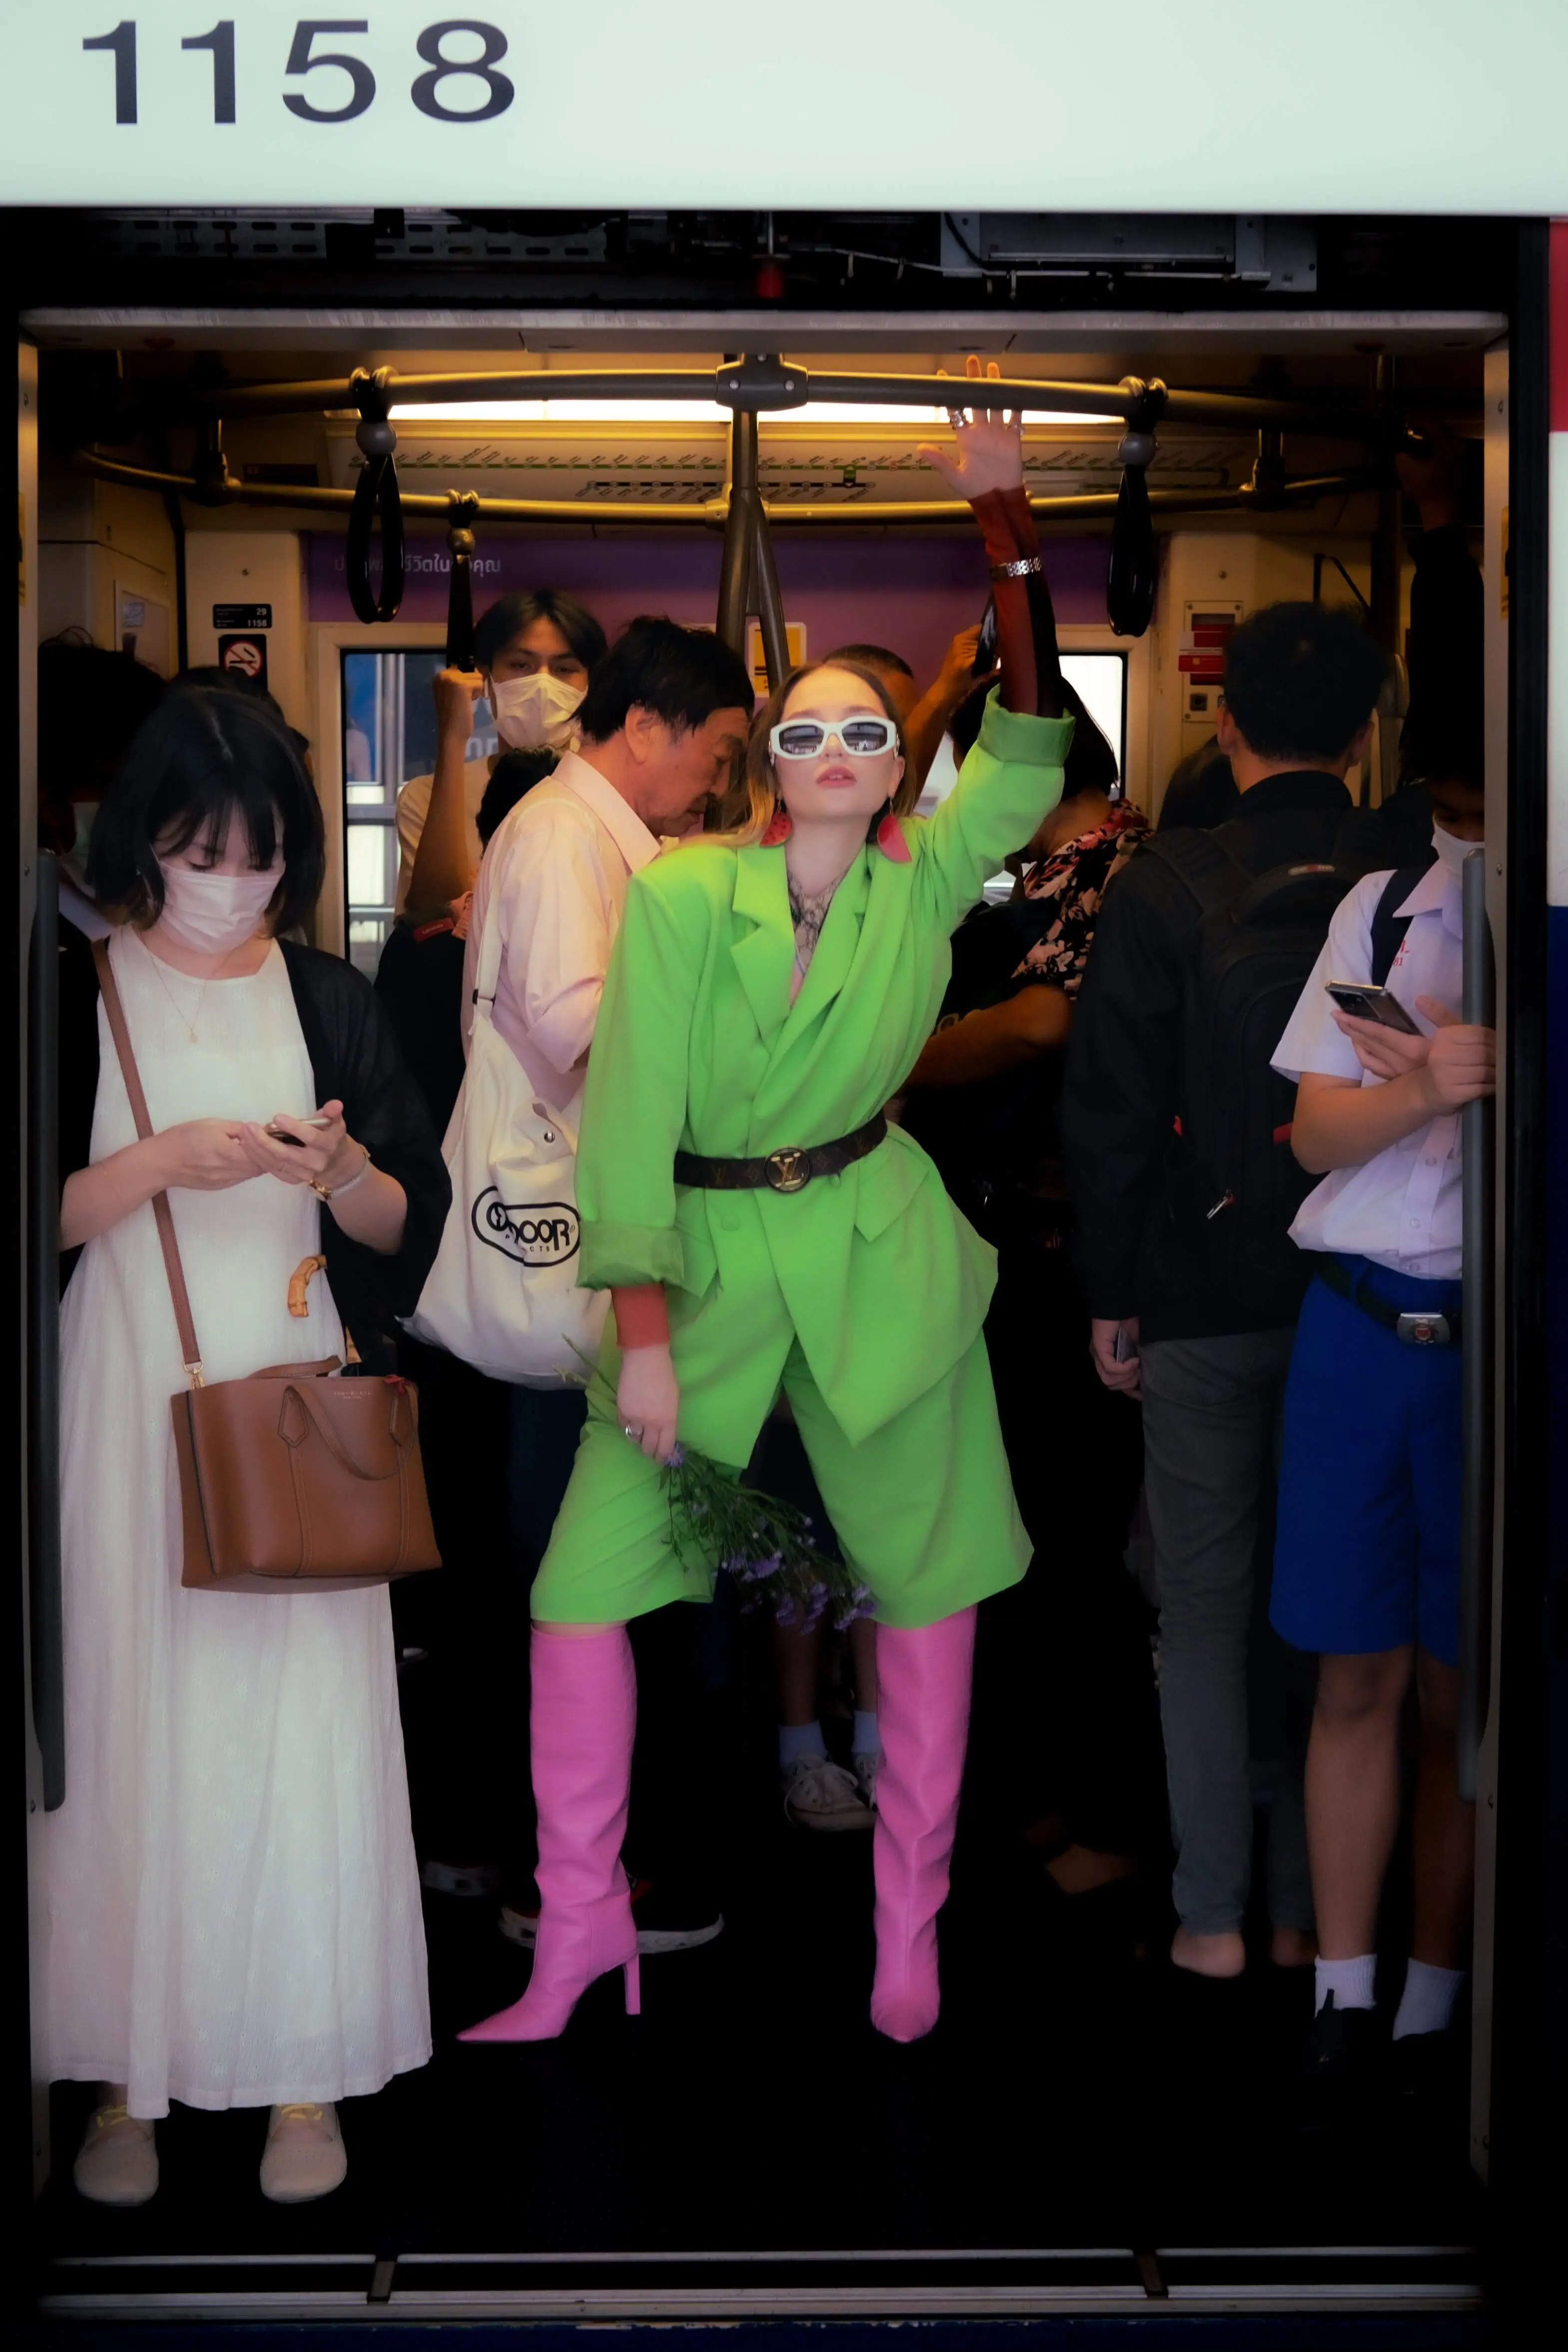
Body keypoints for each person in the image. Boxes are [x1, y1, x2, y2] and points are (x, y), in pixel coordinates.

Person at [456, 366, 1076, 2050]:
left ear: (894, 768)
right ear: (764, 760)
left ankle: (910, 1925)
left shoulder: (926, 880)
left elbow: (1029, 744)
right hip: (705, 1268)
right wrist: (640, 1333)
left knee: (928, 1589)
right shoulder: (681, 897)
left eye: (864, 732)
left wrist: (1007, 536)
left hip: (879, 1260)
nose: (830, 750)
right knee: (583, 1591)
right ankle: (582, 1927)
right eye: (799, 728)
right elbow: (630, 1127)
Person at [47, 688, 449, 2208]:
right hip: (123, 1397)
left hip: (289, 1398)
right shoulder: (71, 987)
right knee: (127, 1720)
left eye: (262, 857)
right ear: (142, 843)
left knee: (301, 1725)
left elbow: (408, 1225)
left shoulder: (332, 998)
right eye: (201, 851)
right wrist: (156, 1163)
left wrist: (345, 1170)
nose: (233, 883)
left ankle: (301, 2063)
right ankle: (118, 2075)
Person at [1062, 602, 1390, 1982]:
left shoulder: (1159, 880)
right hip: (1363, 1293)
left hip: (1195, 1288)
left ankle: (1206, 1920)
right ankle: (1316, 1913)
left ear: (1222, 720)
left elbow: (1112, 1111)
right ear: (1370, 726)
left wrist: (1110, 1291)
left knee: (1196, 1607)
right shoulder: (1412, 872)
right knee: (1337, 1622)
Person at [460, 615, 754, 1953]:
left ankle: (573, 1862)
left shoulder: (587, 832)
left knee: (594, 1560)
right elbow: (583, 1030)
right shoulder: (566, 837)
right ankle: (560, 1873)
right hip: (572, 1245)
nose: (713, 779)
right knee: (575, 1565)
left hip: (591, 1244)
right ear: (647, 726)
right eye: (716, 751)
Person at [900, 659, 1160, 1907]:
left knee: (1078, 1546)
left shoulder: (1111, 865)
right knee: (1045, 1545)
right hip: (1036, 1246)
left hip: (1075, 1252)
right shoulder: (1073, 866)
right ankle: (1063, 1787)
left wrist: (900, 1066)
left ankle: (1111, 1814)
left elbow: (1037, 1025)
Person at [1269, 673, 1491, 2125]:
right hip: (1356, 1327)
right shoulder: (1383, 905)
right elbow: (1307, 1132)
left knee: (1462, 1693)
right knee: (1353, 1673)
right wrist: (1426, 1086)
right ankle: (1344, 1983)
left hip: (1493, 1343)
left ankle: (1440, 1983)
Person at [393, 588, 607, 913]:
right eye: (521, 665)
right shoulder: (424, 798)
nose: (542, 684)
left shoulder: (615, 795)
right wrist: (451, 739)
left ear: (591, 682)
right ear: (485, 676)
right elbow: (431, 911)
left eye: (564, 669)